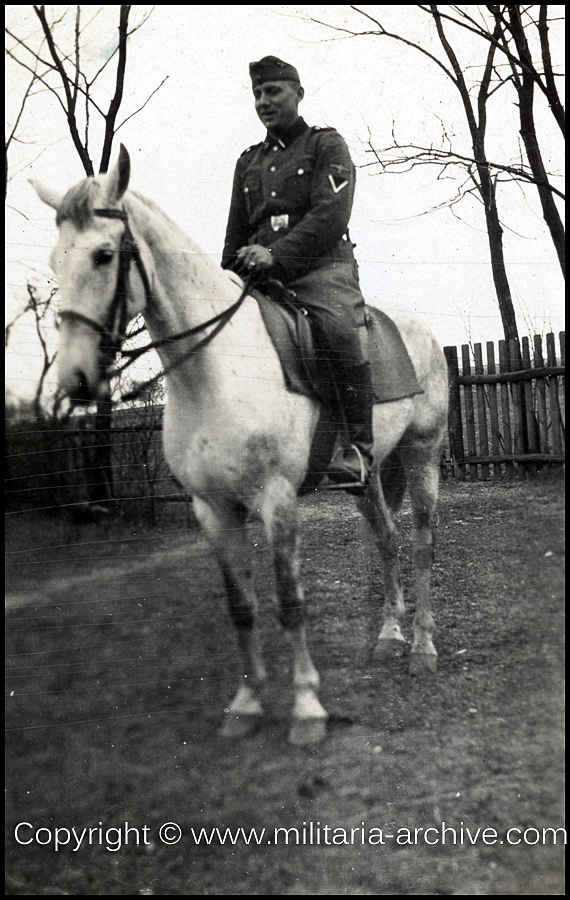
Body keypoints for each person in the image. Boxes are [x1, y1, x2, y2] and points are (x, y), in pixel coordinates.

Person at [222, 55, 373, 485]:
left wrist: (279, 255)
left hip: (320, 268)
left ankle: (358, 449)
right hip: (260, 278)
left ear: (299, 94)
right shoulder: (248, 161)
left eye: (273, 91)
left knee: (341, 330)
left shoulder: (326, 145)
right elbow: (235, 233)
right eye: (257, 93)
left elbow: (332, 215)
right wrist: (225, 279)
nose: (263, 101)